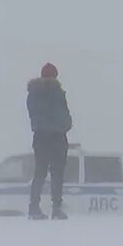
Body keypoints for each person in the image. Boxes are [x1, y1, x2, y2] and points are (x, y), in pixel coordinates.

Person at [26, 63, 73, 220]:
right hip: (57, 137)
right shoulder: (57, 93)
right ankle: (57, 208)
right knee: (57, 173)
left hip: (40, 137)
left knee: (40, 173)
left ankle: (33, 207)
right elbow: (64, 115)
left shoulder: (33, 94)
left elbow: (35, 115)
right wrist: (65, 125)